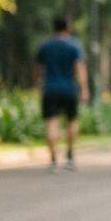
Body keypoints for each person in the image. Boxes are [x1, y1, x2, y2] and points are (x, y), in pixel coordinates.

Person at [34, 17, 89, 173]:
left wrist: (38, 83)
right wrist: (84, 88)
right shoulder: (74, 45)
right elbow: (80, 68)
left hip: (50, 88)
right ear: (68, 27)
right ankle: (70, 154)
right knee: (72, 120)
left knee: (52, 122)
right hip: (69, 89)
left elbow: (37, 68)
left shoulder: (45, 46)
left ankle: (53, 160)